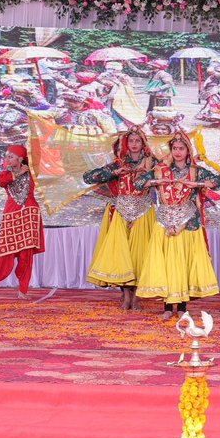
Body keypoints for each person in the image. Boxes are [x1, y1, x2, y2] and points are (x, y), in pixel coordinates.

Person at [136, 130, 220, 318]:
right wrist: (156, 180)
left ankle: (182, 308)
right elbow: (139, 183)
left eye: (181, 148)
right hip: (165, 222)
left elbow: (219, 181)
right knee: (167, 264)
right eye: (174, 148)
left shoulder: (195, 171)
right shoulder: (161, 170)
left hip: (187, 222)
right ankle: (168, 309)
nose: (177, 152)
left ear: (187, 151)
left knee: (183, 264)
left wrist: (198, 185)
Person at [82, 126, 157, 309]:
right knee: (122, 255)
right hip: (122, 210)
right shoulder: (119, 163)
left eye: (137, 141)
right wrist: (115, 173)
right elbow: (88, 177)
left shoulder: (152, 162)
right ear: (126, 143)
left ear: (143, 143)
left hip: (144, 210)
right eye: (130, 141)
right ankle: (125, 297)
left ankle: (136, 297)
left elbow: (166, 176)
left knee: (140, 255)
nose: (134, 144)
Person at [0, 144, 45, 298]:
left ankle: (23, 290)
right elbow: (2, 181)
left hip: (30, 214)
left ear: (20, 159)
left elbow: (39, 160)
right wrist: (19, 172)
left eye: (10, 156)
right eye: (6, 156)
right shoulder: (5, 174)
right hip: (12, 216)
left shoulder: (32, 173)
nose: (6, 159)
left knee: (26, 254)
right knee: (3, 253)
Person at [99, 61, 146, 129]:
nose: (109, 71)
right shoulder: (109, 76)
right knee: (111, 111)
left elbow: (130, 85)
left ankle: (121, 126)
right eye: (108, 69)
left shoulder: (124, 76)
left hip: (121, 98)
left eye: (111, 69)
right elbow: (103, 83)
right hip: (111, 98)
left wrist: (118, 83)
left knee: (118, 112)